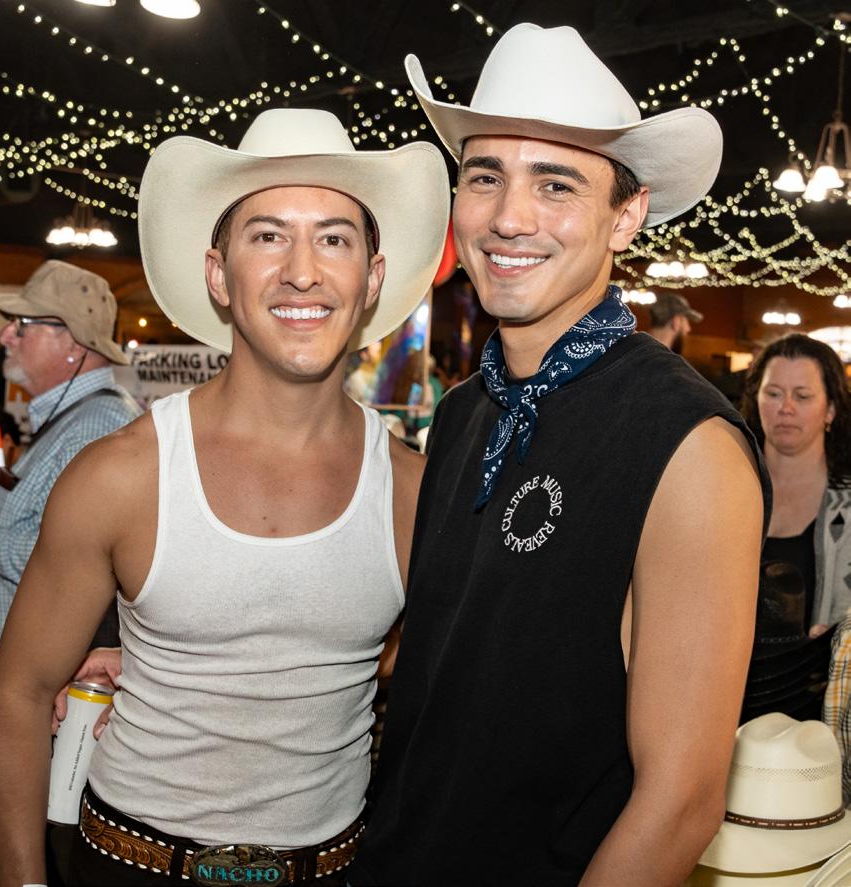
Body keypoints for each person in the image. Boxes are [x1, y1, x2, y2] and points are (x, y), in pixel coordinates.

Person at [349, 24, 769, 886]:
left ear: (627, 215)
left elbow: (681, 800)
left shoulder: (688, 444)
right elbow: (457, 655)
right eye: (485, 176)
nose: (509, 217)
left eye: (556, 183)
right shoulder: (464, 412)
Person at [0, 108, 448, 886]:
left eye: (334, 238)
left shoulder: (413, 489)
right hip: (127, 865)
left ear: (372, 277)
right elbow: (20, 687)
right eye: (268, 235)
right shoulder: (121, 474)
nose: (302, 271)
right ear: (218, 273)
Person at [0, 261, 141, 641]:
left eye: (23, 325)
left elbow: (65, 566)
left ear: (73, 345)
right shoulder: (79, 418)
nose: (7, 335)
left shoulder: (95, 430)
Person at [739, 333, 851, 719]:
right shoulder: (725, 489)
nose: (785, 407)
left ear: (830, 409)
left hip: (820, 715)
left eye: (802, 396)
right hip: (728, 704)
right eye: (773, 394)